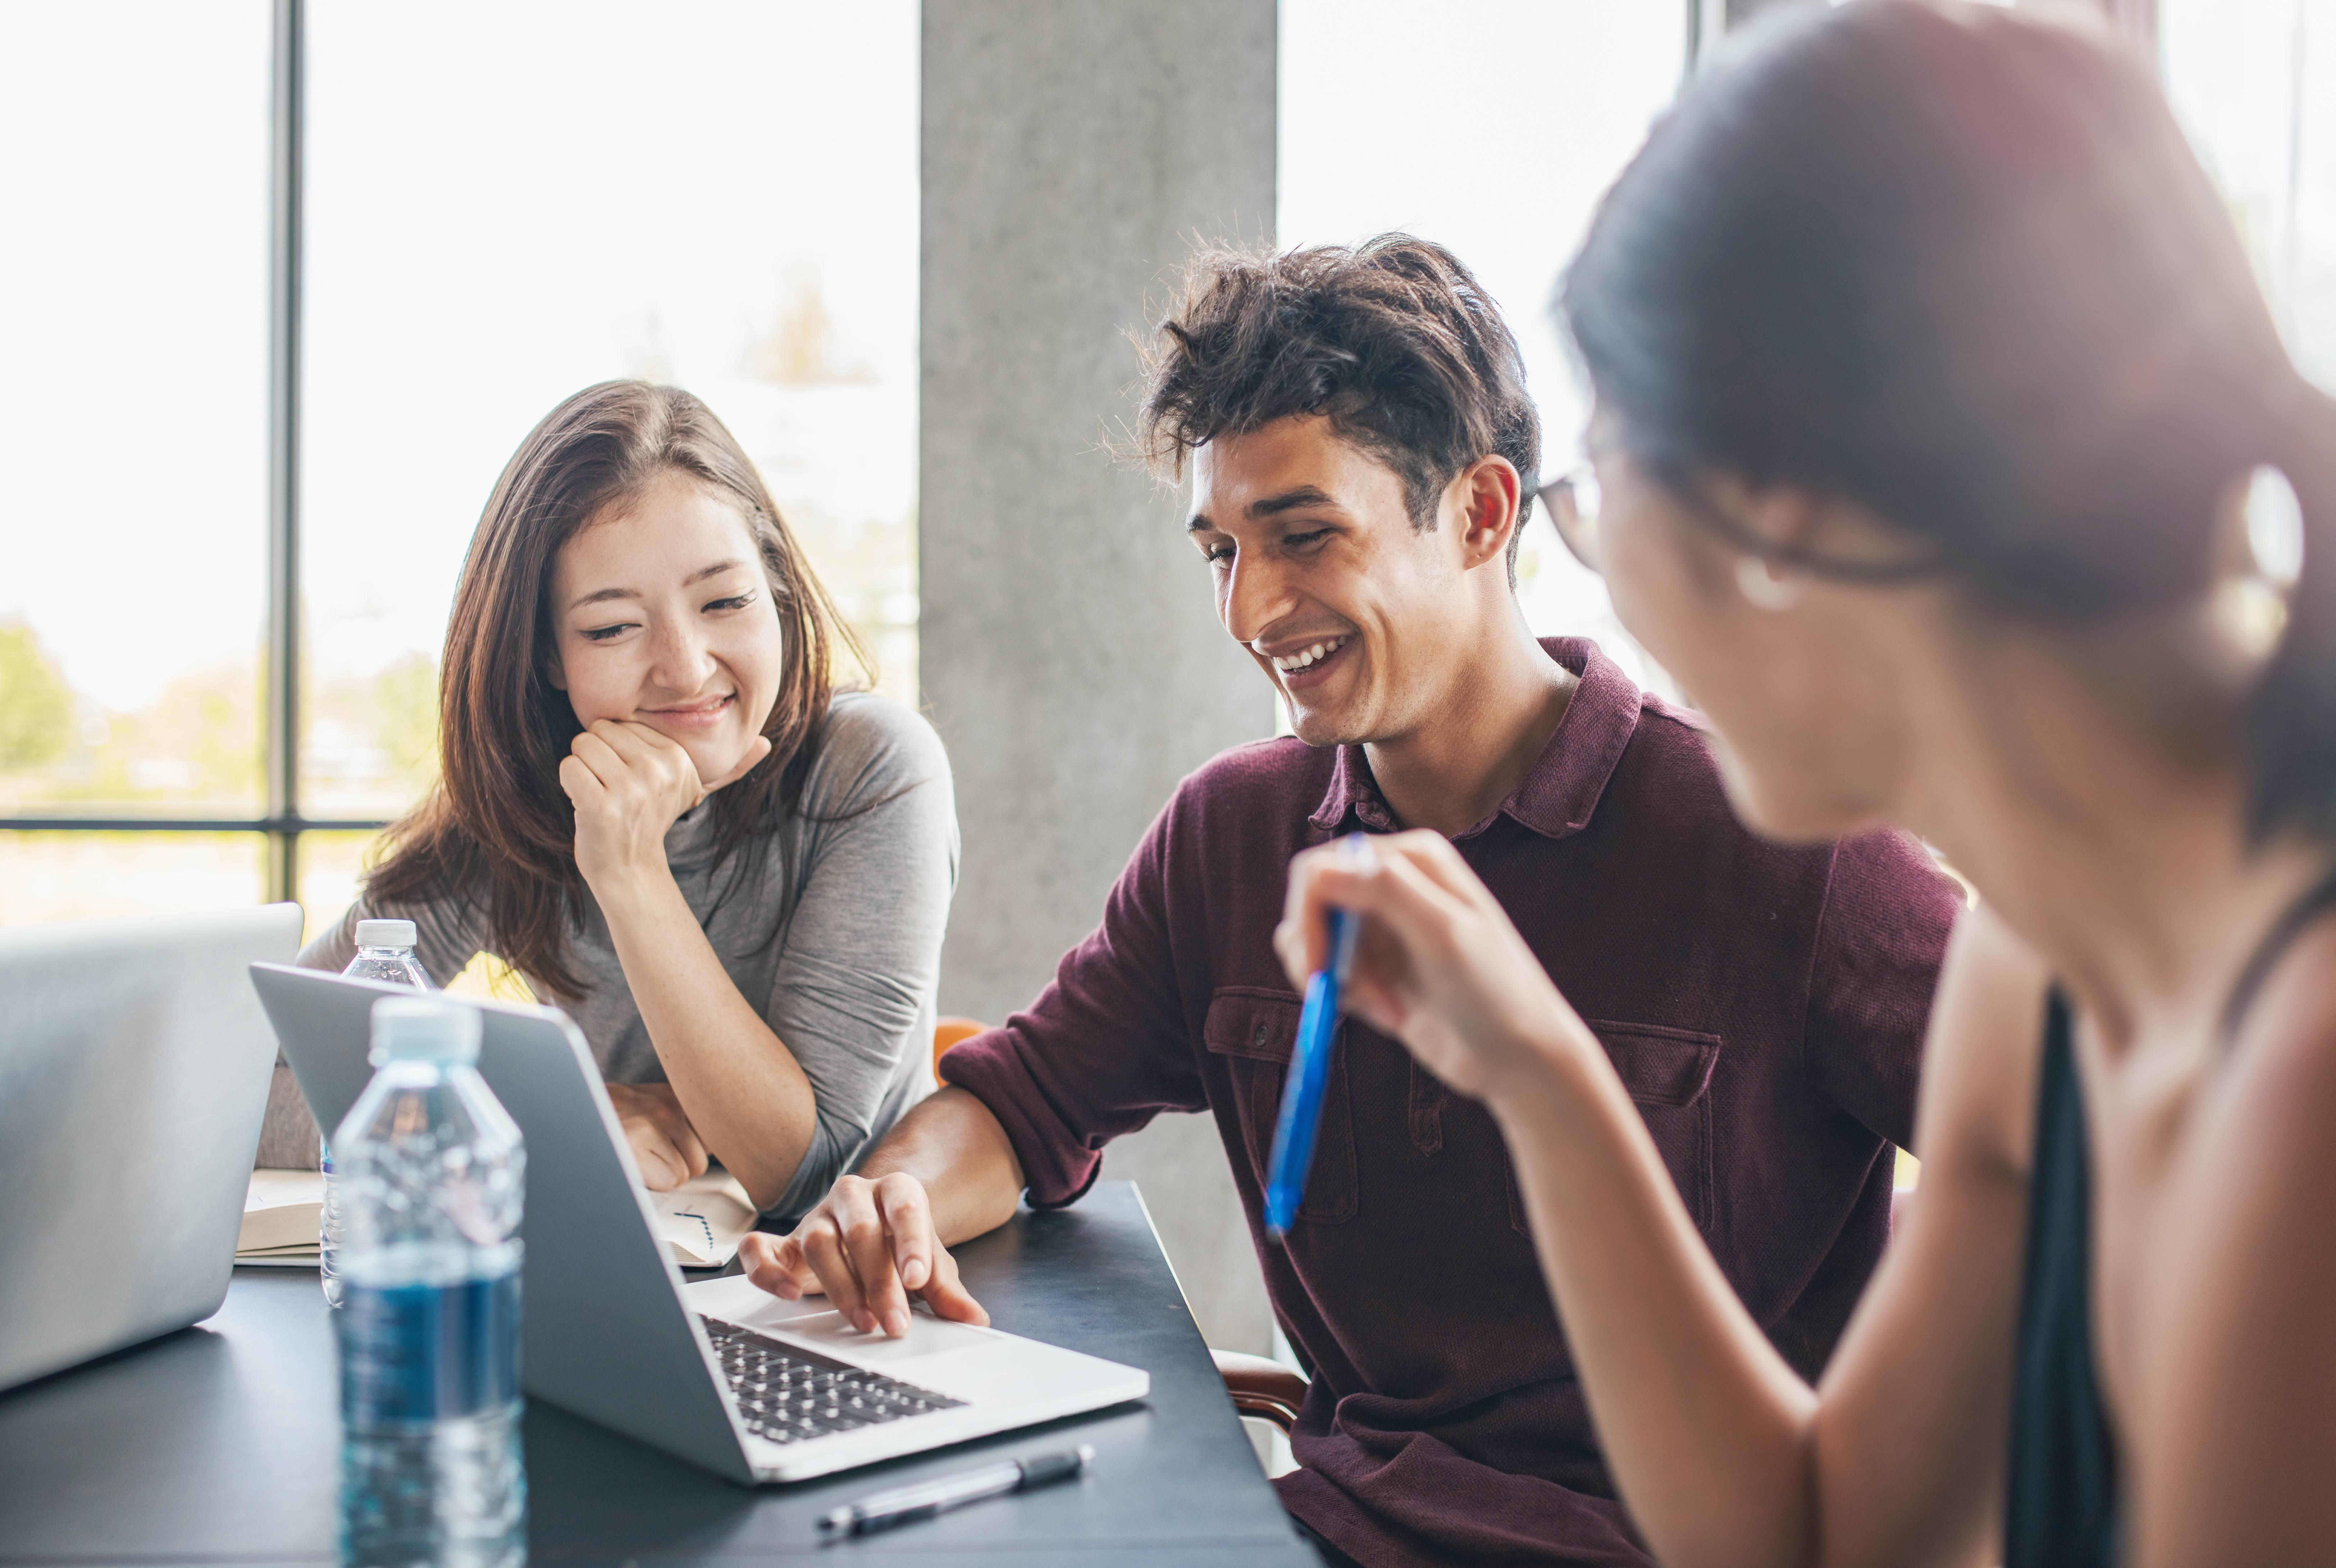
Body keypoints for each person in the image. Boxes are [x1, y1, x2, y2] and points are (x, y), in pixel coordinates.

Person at [1276, 5, 2336, 1566]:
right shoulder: (2034, 968)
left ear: (1780, 519)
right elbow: (1823, 1534)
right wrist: (1541, 1080)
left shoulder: (2299, 1072)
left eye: (1599, 488)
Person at [740, 236, 1963, 1565]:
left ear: (1482, 514)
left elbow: (2084, 1176)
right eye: (1220, 551)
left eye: (1305, 537)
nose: (1253, 607)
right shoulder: (1231, 835)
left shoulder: (1784, 850)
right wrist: (894, 1198)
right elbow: (1022, 1099)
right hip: (1325, 1533)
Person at [261, 381, 957, 1219]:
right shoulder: (522, 805)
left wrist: (628, 868)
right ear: (548, 656)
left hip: (847, 1300)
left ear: (773, 591)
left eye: (725, 601)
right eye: (612, 627)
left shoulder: (870, 769)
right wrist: (550, 1114)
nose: (687, 666)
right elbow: (248, 1082)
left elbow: (799, 1171)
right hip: (616, 1274)